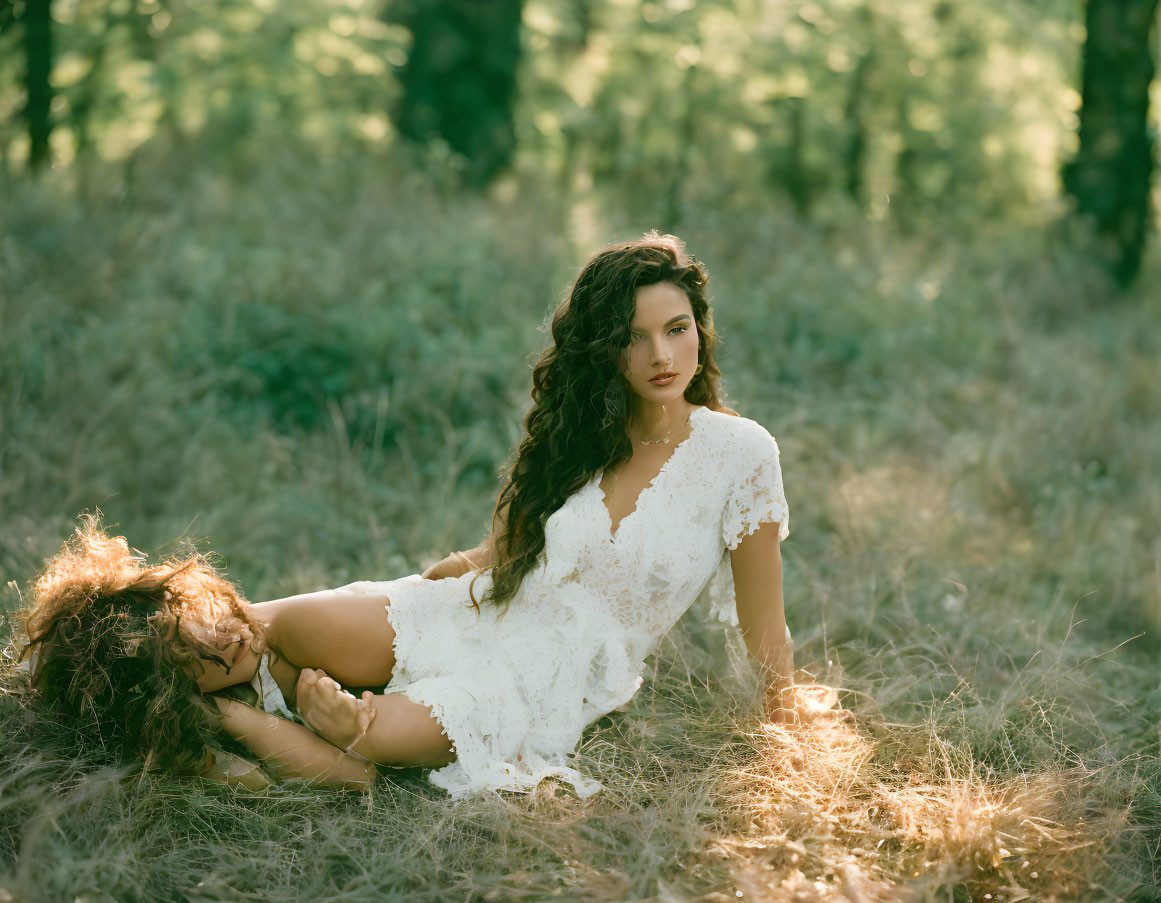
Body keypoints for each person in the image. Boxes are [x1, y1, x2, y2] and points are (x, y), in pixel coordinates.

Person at [13, 232, 793, 797]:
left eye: (676, 328)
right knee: (240, 630)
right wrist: (455, 570)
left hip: (546, 665)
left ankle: (239, 717)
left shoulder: (739, 454)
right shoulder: (589, 433)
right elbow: (518, 545)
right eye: (633, 337)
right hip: (470, 606)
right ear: (604, 352)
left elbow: (765, 626)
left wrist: (782, 733)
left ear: (700, 328)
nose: (661, 353)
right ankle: (121, 681)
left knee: (368, 735)